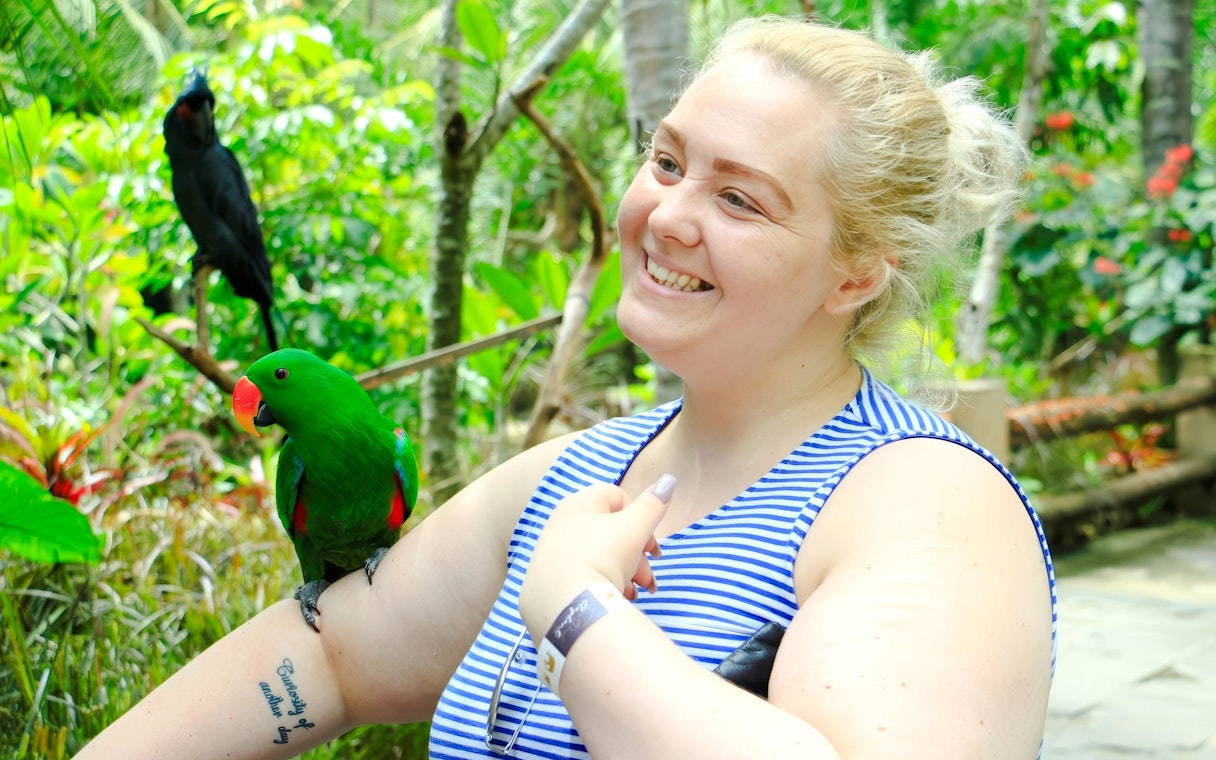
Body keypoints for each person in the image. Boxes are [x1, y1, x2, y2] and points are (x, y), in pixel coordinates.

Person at [79, 15, 1056, 759]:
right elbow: (326, 657)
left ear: (854, 274)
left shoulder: (924, 502)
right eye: (666, 161)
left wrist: (577, 608)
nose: (667, 213)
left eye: (738, 197)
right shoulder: (575, 473)